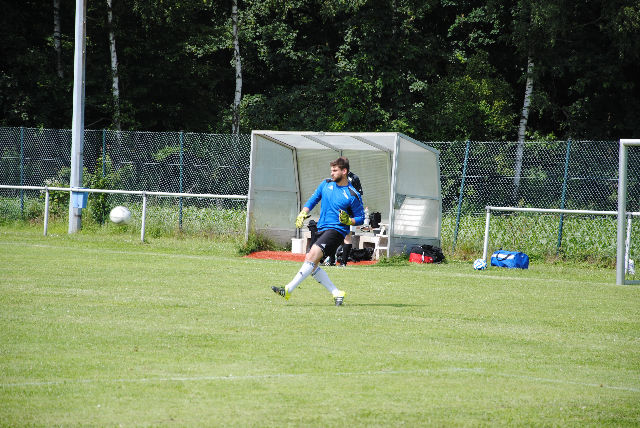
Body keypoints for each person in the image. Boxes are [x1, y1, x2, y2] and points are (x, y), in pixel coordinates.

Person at [271, 157, 365, 306]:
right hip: (321, 228)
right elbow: (313, 199)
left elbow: (361, 218)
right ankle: (336, 293)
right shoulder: (325, 184)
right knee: (312, 264)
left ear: (344, 171)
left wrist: (349, 220)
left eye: (335, 170)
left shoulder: (352, 194)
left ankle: (288, 289)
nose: (332, 173)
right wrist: (303, 213)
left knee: (311, 256)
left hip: (337, 230)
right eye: (331, 170)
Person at [324, 170, 363, 266]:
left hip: (347, 212)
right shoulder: (335, 177)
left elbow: (358, 195)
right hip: (335, 209)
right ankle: (332, 260)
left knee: (347, 236)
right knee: (332, 233)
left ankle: (343, 262)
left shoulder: (354, 178)